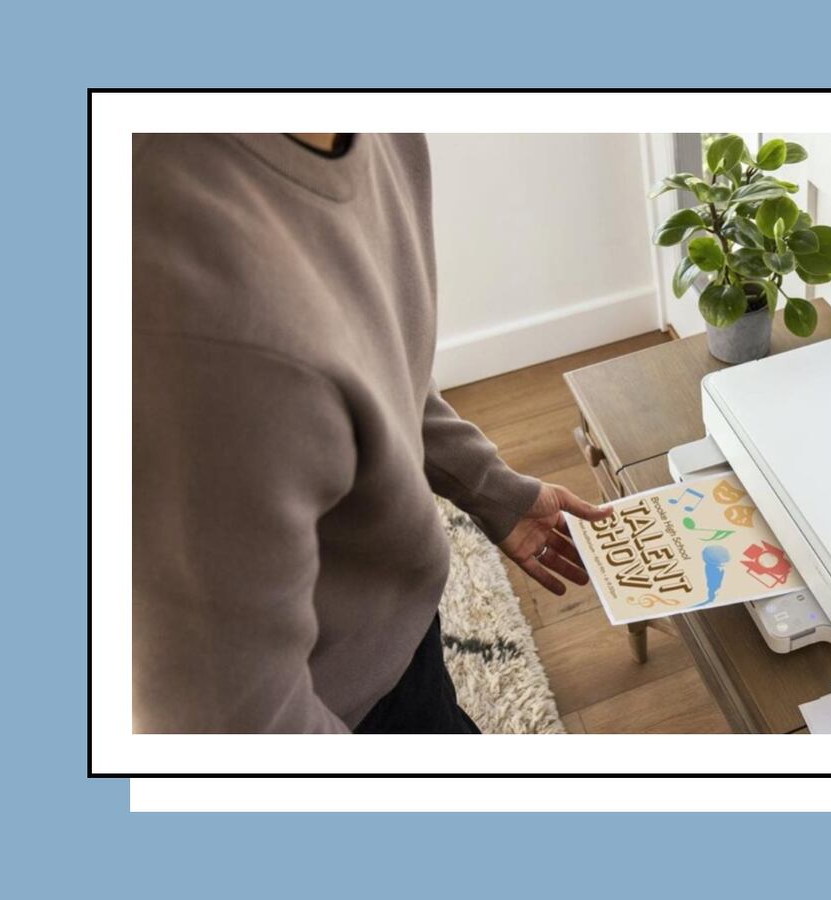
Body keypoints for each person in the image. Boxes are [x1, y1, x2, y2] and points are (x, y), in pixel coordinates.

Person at [132, 133, 609, 733]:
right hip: (336, 707)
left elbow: (368, 360)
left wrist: (489, 487)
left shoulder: (384, 133)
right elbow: (224, 726)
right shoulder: (186, 307)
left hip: (398, 635)